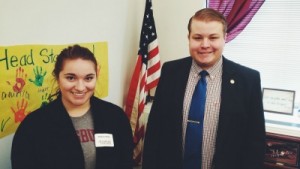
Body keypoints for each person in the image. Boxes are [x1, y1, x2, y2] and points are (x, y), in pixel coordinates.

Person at [142, 8, 266, 169]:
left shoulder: (248, 80)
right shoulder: (170, 72)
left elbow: (255, 145)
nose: (205, 45)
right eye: (198, 38)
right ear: (189, 38)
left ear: (225, 38)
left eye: (213, 37)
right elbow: (154, 133)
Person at [11, 44, 134, 169]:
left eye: (88, 78)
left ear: (97, 76)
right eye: (71, 78)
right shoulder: (33, 126)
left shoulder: (115, 117)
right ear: (57, 78)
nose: (80, 87)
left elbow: (126, 163)